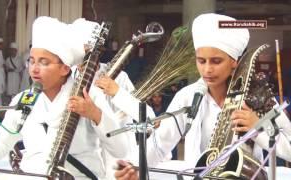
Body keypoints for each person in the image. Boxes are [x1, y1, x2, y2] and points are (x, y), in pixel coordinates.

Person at [113, 13, 291, 179]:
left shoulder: (257, 97)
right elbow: (159, 145)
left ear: (234, 62)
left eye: (216, 61)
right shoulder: (189, 97)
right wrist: (132, 165)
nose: (207, 69)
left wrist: (258, 127)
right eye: (201, 61)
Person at [0, 16, 129, 179]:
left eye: (44, 62)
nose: (34, 69)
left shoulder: (88, 96)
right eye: (31, 61)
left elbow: (121, 149)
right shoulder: (25, 99)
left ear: (65, 68)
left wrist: (95, 114)